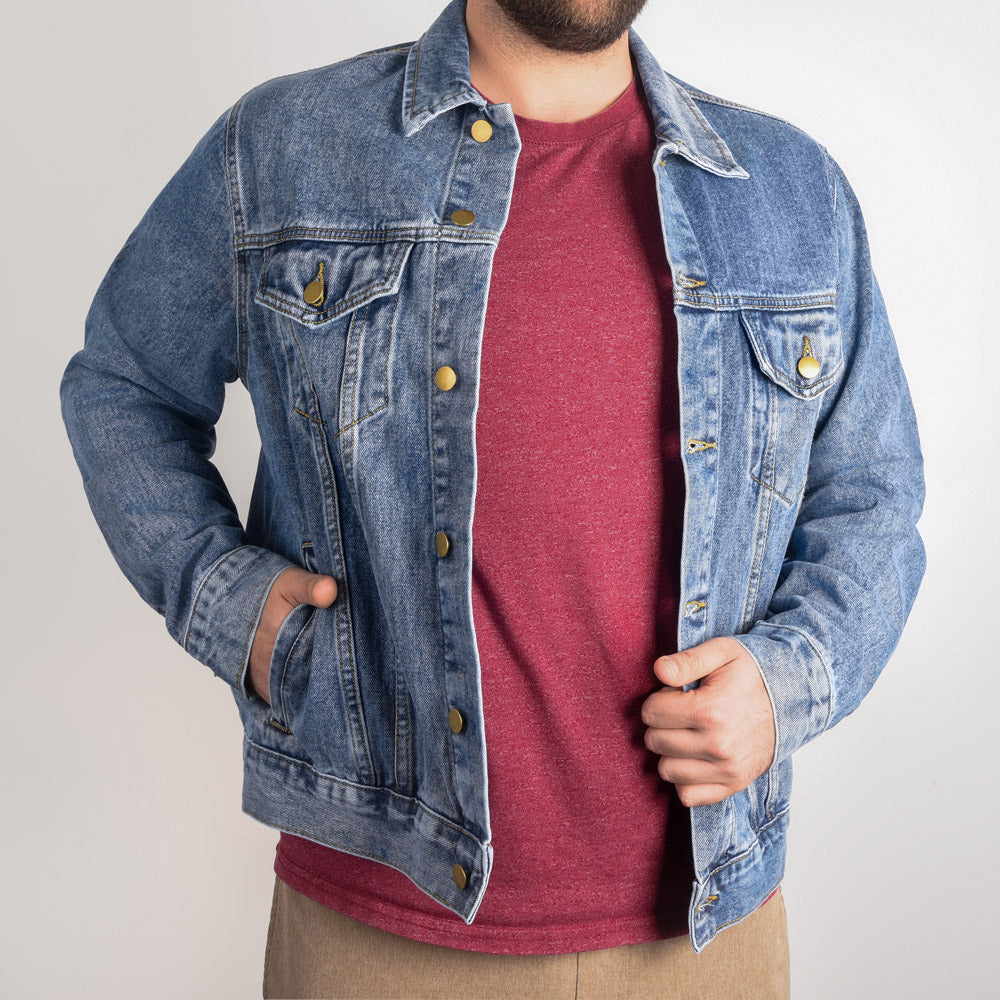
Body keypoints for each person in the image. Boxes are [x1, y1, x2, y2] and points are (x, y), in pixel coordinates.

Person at [59, 0, 926, 996]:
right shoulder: (284, 147)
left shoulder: (789, 189)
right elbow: (122, 384)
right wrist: (227, 600)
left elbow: (873, 495)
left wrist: (787, 683)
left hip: (703, 934)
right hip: (380, 922)